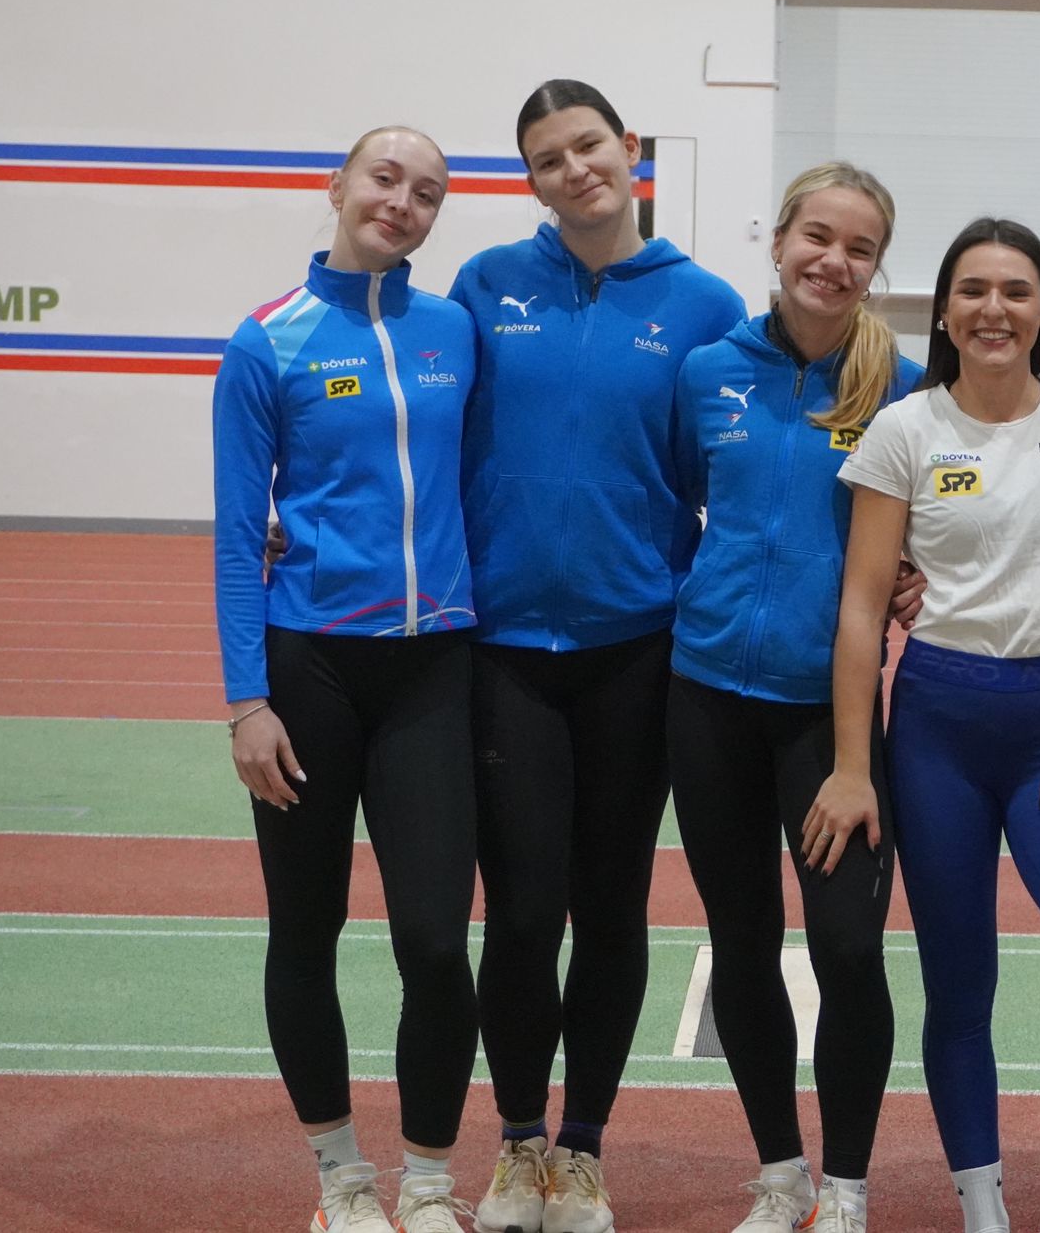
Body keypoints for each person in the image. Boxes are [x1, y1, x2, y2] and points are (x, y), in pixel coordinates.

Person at [450, 79, 748, 1233]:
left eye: (587, 145)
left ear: (627, 149)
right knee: (524, 911)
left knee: (613, 909)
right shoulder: (486, 285)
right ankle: (517, 1144)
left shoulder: (703, 303)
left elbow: (736, 474)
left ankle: (581, 1151)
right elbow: (420, 433)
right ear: (531, 180)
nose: (573, 169)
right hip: (506, 652)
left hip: (637, 650)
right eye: (547, 159)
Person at [829, 219, 1040, 1233]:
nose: (993, 309)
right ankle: (981, 1208)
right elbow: (861, 608)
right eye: (972, 290)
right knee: (959, 988)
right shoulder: (904, 430)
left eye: (1016, 291)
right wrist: (853, 764)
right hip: (937, 730)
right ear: (942, 311)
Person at [213, 126, 481, 1233]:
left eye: (427, 192)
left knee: (436, 942)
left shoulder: (456, 330)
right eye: (385, 178)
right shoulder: (266, 341)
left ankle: (429, 1179)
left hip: (435, 668)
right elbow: (240, 536)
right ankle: (341, 1181)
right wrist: (247, 702)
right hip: (309, 668)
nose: (403, 203)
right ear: (337, 187)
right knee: (305, 928)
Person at [665, 162, 922, 1233]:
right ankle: (780, 1173)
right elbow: (683, 496)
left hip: (832, 713)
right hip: (707, 700)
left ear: (875, 268)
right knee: (740, 937)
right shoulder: (706, 372)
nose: (833, 261)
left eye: (859, 248)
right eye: (817, 236)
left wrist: (922, 575)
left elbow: (941, 526)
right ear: (777, 242)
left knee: (849, 950)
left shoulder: (902, 388)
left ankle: (846, 1188)